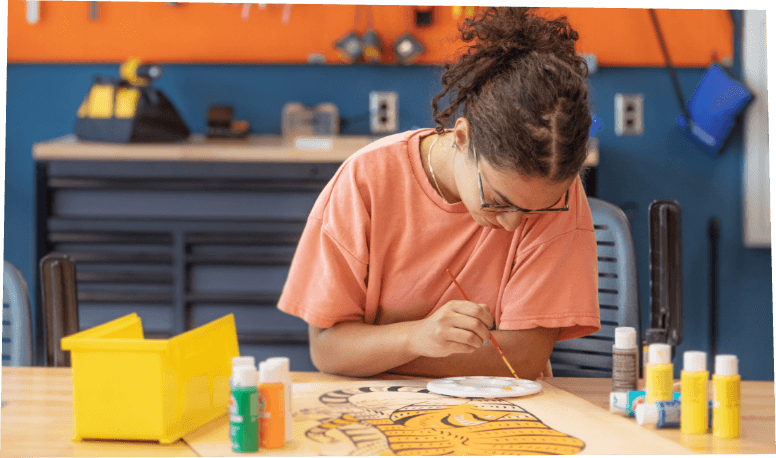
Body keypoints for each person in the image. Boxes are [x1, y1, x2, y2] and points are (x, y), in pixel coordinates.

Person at [277, 6, 600, 380]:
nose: (513, 224)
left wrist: (375, 352)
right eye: (498, 199)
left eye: (534, 211)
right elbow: (328, 348)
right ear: (461, 138)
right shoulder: (365, 181)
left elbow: (522, 359)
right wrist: (416, 337)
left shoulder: (555, 191)